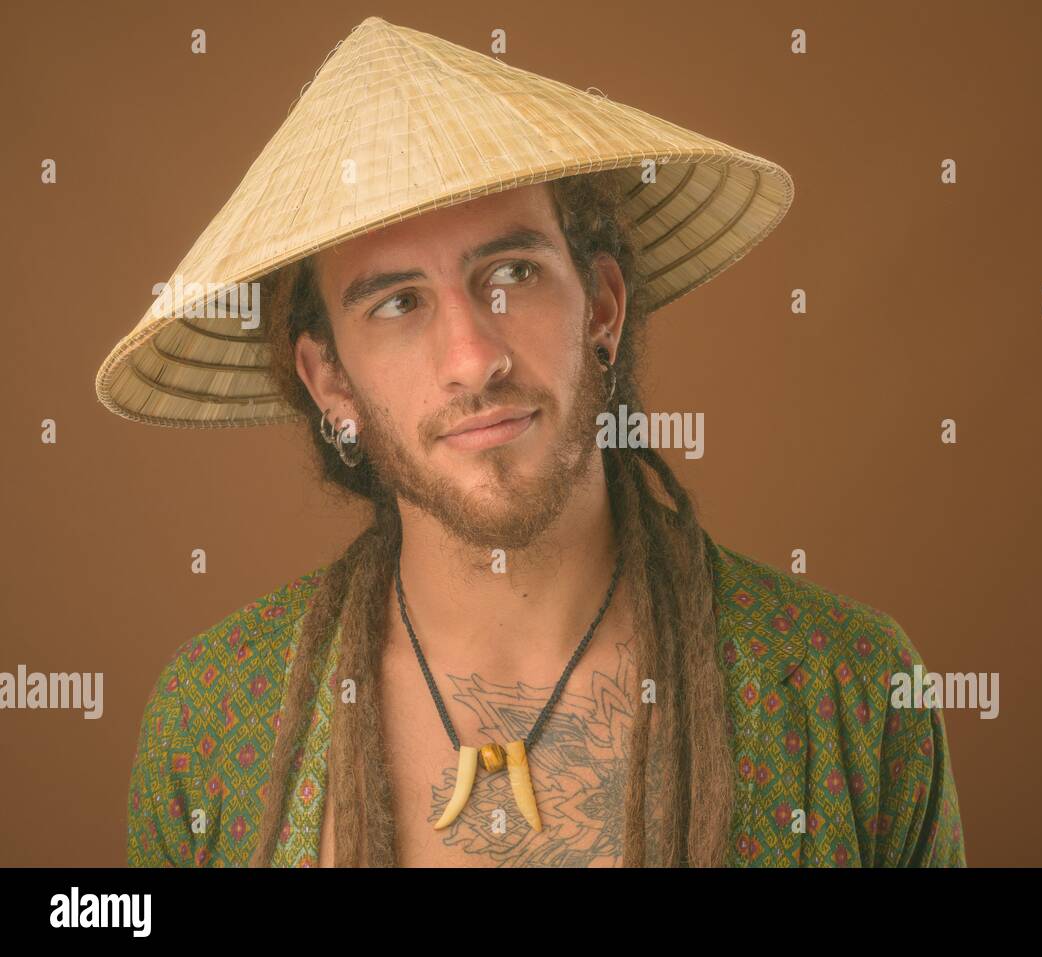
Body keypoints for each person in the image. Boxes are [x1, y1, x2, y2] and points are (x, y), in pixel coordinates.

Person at [103, 17, 966, 868]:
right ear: (331, 381)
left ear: (601, 307)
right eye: (398, 303)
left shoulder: (847, 688)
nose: (474, 359)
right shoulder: (212, 723)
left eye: (511, 274)